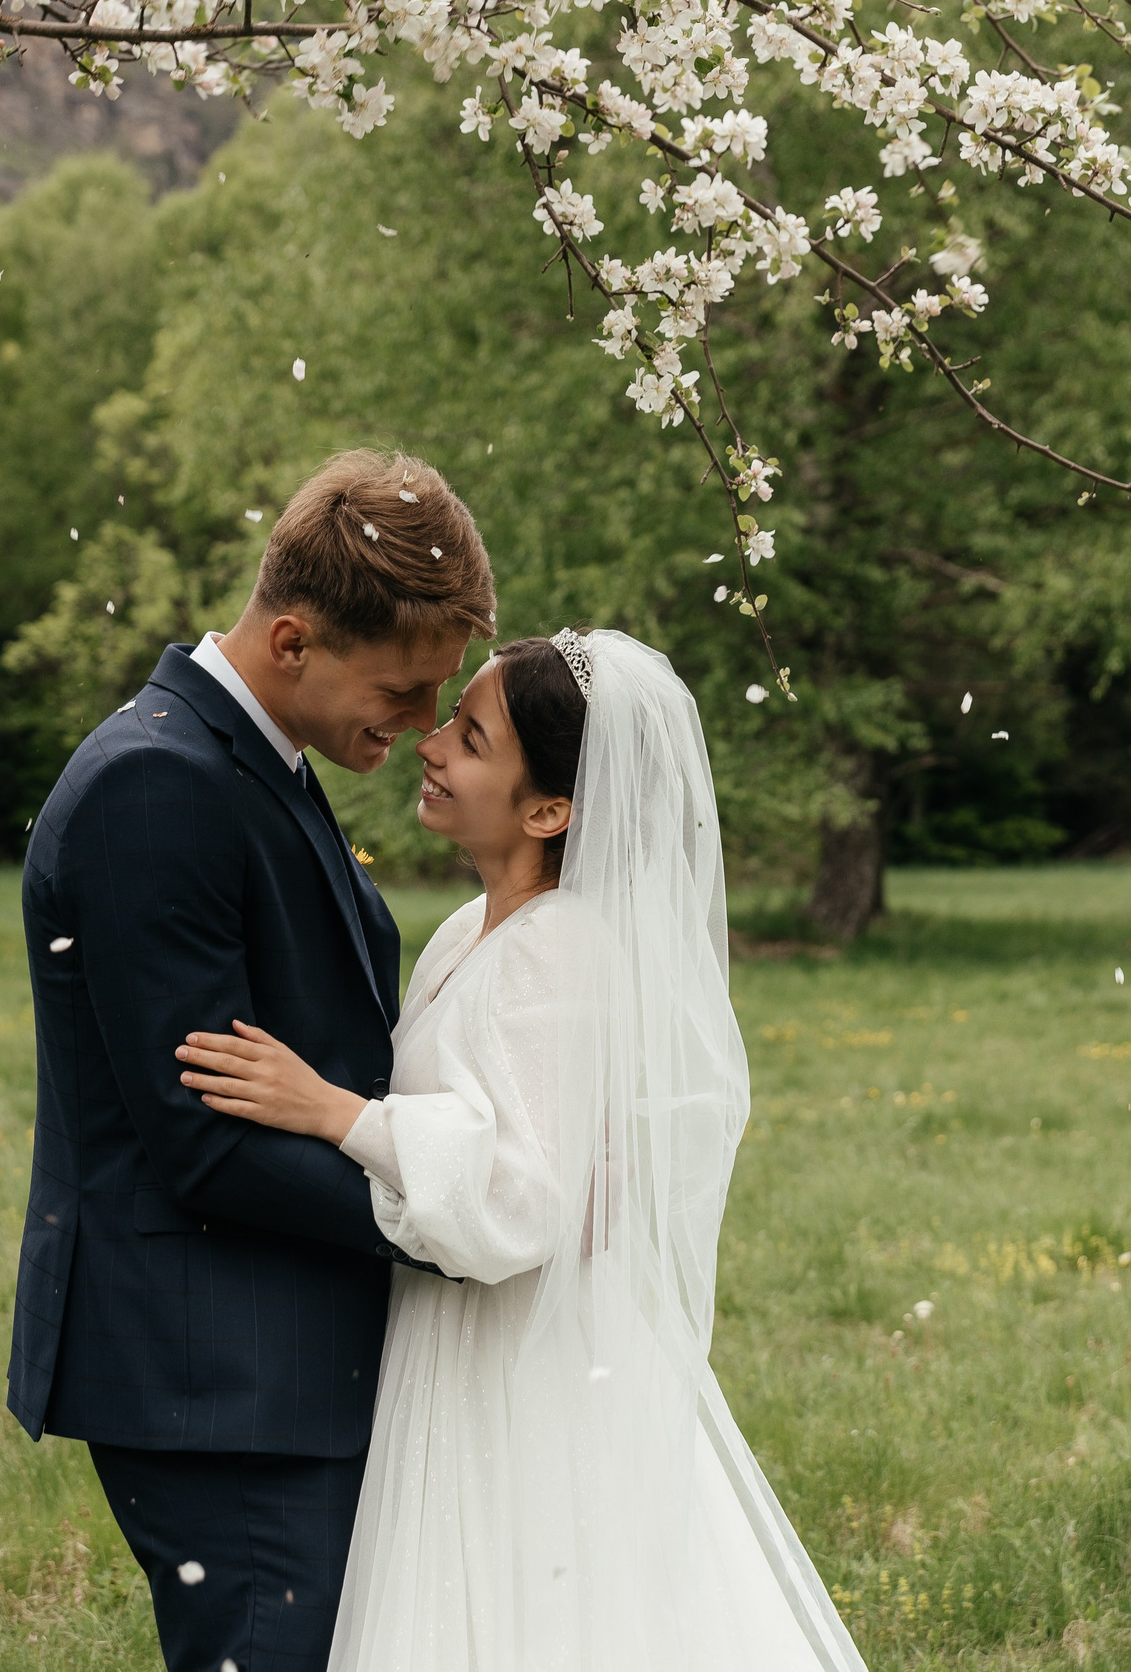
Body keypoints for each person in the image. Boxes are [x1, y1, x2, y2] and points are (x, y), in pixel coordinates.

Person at [177, 629, 871, 1671]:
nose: (431, 746)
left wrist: (335, 1114)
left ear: (550, 811)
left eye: (470, 738)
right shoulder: (471, 931)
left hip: (519, 1356)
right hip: (457, 1329)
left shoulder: (561, 952)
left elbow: (523, 1199)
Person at [10, 450, 495, 1672]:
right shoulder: (155, 786)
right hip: (218, 1380)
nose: (424, 726)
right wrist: (445, 1213)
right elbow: (207, 1140)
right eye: (403, 688)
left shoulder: (245, 758)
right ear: (293, 642)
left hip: (269, 1364)